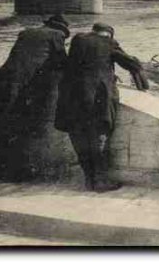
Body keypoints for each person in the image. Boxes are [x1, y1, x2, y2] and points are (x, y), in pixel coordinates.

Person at [54, 23, 147, 192]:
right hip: (95, 99)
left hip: (71, 97)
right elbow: (129, 63)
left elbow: (87, 63)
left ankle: (89, 180)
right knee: (98, 139)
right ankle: (100, 182)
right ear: (109, 35)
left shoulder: (78, 40)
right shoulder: (108, 43)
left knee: (79, 139)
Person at [0, 14, 70, 181]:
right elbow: (61, 62)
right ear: (62, 29)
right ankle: (14, 173)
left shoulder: (26, 32)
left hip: (3, 79)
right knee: (17, 127)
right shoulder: (56, 35)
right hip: (21, 85)